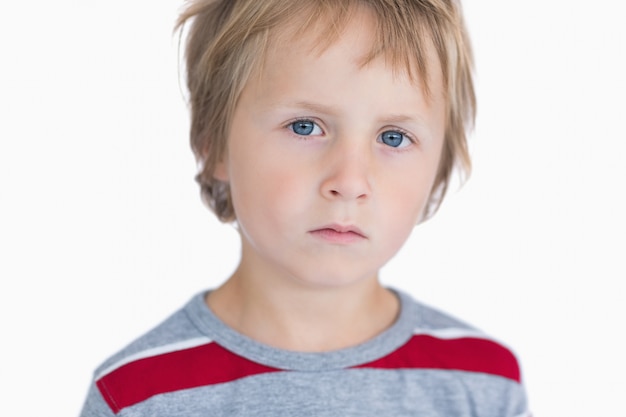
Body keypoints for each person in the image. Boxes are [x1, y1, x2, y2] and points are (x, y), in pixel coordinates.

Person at [80, 0, 530, 415]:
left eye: (393, 137)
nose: (350, 182)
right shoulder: (138, 396)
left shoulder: (484, 385)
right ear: (213, 144)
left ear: (439, 165)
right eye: (304, 126)